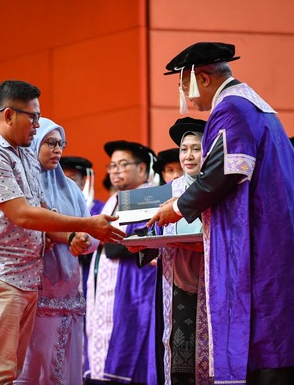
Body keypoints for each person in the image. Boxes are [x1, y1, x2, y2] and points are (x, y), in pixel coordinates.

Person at [147, 42, 294, 384]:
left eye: (183, 85)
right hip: (281, 229)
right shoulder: (255, 107)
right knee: (278, 328)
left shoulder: (232, 109)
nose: (184, 95)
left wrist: (178, 207)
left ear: (203, 79)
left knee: (268, 328)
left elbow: (228, 170)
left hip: (264, 235)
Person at [0, 80, 125, 384]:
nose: (38, 126)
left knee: (11, 374)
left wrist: (71, 237)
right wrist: (86, 224)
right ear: (9, 114)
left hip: (25, 277)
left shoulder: (23, 151)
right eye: (32, 117)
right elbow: (23, 215)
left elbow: (42, 208)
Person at [15, 118, 99, 385]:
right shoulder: (22, 187)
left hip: (69, 293)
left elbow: (91, 232)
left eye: (60, 144)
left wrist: (84, 240)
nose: (57, 150)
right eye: (50, 143)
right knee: (35, 367)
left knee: (64, 369)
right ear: (34, 143)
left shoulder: (71, 189)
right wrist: (58, 236)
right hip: (36, 292)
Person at [130, 117, 209, 384]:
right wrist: (144, 247)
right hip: (176, 284)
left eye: (196, 148)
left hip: (213, 283)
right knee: (178, 355)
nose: (188, 155)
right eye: (184, 149)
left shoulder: (217, 187)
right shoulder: (167, 191)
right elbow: (153, 232)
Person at [84, 140, 158, 385]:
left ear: (143, 169)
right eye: (112, 165)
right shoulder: (116, 198)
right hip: (110, 288)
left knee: (130, 353)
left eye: (123, 164)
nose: (115, 170)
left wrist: (108, 241)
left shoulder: (146, 196)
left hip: (133, 288)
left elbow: (126, 244)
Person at [60, 155, 105, 299]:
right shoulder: (49, 206)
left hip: (87, 268)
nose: (66, 183)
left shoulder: (98, 209)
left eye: (72, 179)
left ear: (83, 182)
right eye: (62, 178)